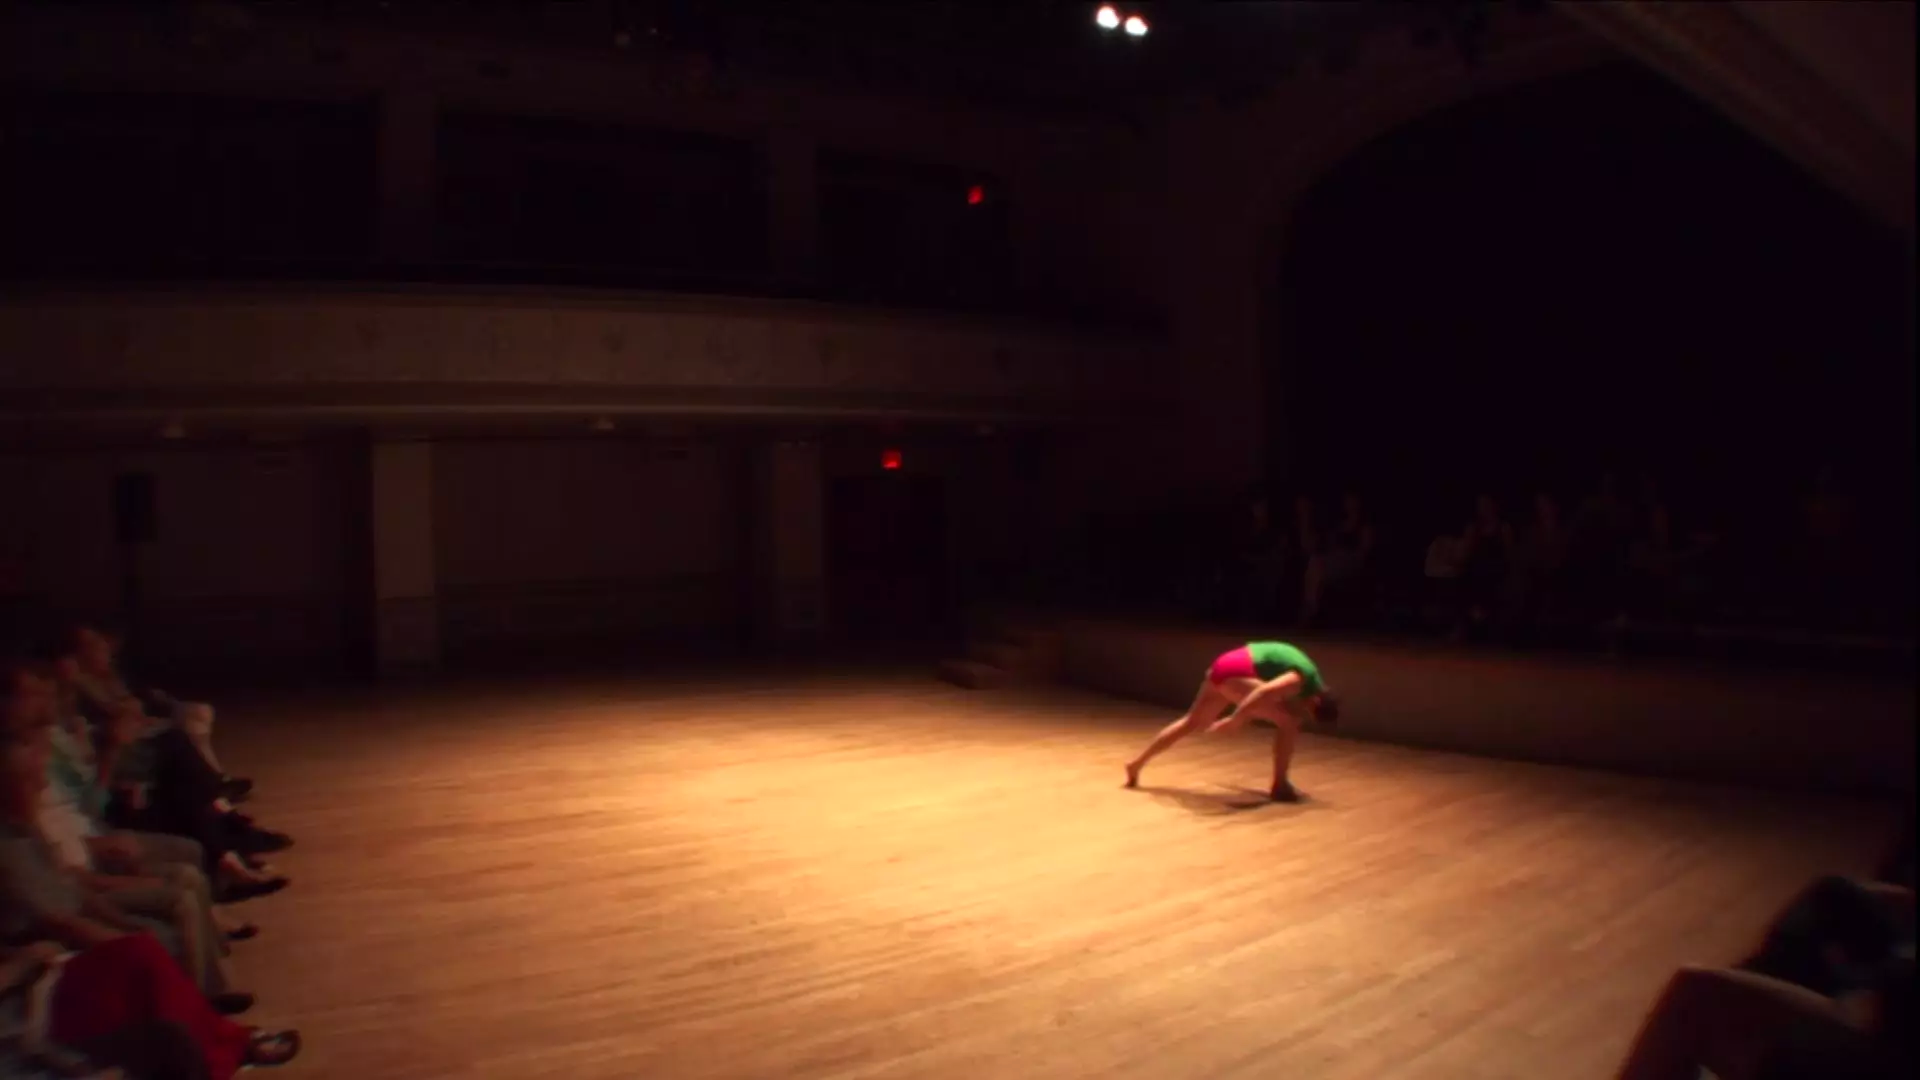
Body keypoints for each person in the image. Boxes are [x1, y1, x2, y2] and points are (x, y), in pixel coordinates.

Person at [1122, 640, 1339, 802]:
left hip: (1223, 666)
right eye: (1309, 708)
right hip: (1236, 671)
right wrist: (1236, 719)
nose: (1305, 708)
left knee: (1192, 721)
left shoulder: (1312, 677)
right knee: (1289, 722)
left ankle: (1136, 764)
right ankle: (1280, 784)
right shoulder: (1300, 679)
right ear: (1317, 699)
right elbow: (1262, 692)